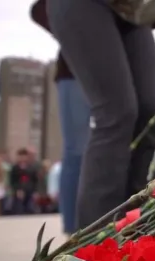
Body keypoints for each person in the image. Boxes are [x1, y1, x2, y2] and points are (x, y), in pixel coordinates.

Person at [45, 0, 155, 228]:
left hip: (128, 12)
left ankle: (139, 232)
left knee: (151, 112)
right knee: (117, 113)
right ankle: (94, 246)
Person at [30, 0, 91, 233]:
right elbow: (39, 9)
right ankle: (72, 229)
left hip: (113, 73)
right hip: (73, 73)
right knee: (76, 150)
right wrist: (72, 32)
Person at [9, 148, 39, 215]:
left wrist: (35, 191)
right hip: (19, 193)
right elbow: (12, 181)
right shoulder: (15, 168)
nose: (22, 158)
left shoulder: (31, 168)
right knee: (19, 210)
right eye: (20, 156)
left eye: (24, 156)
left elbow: (35, 180)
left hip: (29, 191)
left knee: (30, 210)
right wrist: (17, 190)